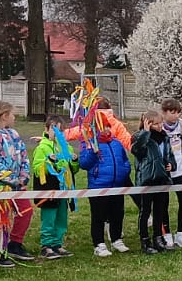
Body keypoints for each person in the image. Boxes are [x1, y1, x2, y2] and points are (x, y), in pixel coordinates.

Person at [0, 102, 34, 265]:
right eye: (12, 114)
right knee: (1, 218)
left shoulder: (14, 134)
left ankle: (15, 244)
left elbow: (23, 155)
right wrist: (10, 178)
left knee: (26, 210)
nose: (14, 117)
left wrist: (23, 176)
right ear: (4, 115)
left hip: (18, 185)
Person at [79, 115, 134, 255]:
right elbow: (84, 164)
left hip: (117, 185)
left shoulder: (117, 143)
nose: (106, 129)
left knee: (117, 213)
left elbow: (125, 160)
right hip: (99, 186)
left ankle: (116, 239)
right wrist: (93, 153)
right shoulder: (90, 143)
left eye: (108, 126)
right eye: (103, 127)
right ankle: (99, 244)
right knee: (99, 216)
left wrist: (124, 170)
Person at [128, 108, 173, 254]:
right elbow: (136, 151)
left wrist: (171, 164)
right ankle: (145, 240)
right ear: (148, 123)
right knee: (145, 211)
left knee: (160, 210)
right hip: (147, 180)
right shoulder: (139, 137)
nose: (160, 127)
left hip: (162, 179)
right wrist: (146, 133)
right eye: (156, 124)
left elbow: (169, 154)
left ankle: (158, 238)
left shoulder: (165, 137)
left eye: (161, 123)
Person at [31, 115, 75, 259]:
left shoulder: (66, 147)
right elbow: (37, 169)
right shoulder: (42, 148)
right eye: (54, 129)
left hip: (63, 189)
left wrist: (74, 161)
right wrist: (48, 161)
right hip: (49, 190)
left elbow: (73, 169)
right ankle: (47, 245)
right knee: (49, 218)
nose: (58, 133)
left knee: (61, 218)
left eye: (61, 131)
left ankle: (57, 243)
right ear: (47, 129)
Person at [157, 98, 182, 249]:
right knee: (163, 203)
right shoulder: (159, 127)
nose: (175, 115)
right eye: (172, 112)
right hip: (164, 173)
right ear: (164, 113)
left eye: (178, 112)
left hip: (179, 171)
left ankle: (181, 234)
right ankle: (166, 235)